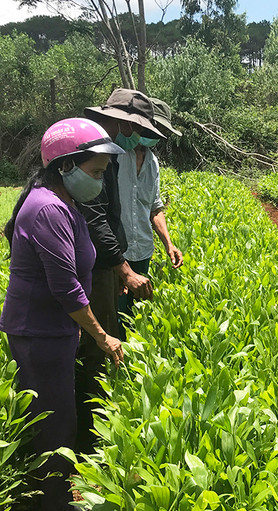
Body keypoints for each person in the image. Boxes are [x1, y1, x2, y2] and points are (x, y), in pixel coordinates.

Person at [0, 118, 125, 511]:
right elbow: (66, 288)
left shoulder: (62, 202)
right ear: (65, 165)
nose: (100, 179)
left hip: (53, 333)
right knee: (54, 432)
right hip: (41, 335)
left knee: (59, 424)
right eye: (94, 171)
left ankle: (57, 509)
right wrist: (104, 336)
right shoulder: (48, 208)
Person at [74, 88, 165, 452]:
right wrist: (124, 269)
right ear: (119, 120)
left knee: (108, 334)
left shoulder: (110, 148)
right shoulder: (94, 149)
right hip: (96, 263)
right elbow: (97, 218)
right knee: (98, 342)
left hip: (109, 260)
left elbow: (120, 214)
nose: (132, 133)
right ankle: (89, 431)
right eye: (130, 126)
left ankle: (96, 416)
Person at [116, 96, 184, 337]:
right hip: (115, 255)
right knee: (115, 317)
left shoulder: (153, 162)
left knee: (135, 318)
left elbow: (154, 207)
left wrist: (169, 244)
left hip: (142, 251)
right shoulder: (114, 156)